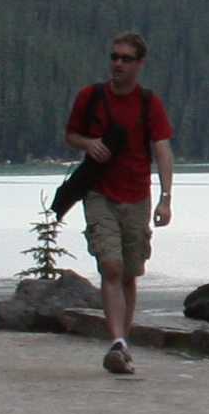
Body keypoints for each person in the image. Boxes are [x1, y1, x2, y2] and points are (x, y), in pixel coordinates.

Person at [63, 28, 176, 376]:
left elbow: (162, 149)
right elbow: (70, 135)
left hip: (137, 194)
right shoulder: (91, 96)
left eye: (126, 58)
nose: (118, 64)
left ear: (140, 63)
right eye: (114, 57)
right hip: (100, 192)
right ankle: (116, 341)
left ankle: (122, 344)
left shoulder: (148, 102)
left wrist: (165, 198)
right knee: (110, 266)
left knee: (129, 273)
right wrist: (88, 143)